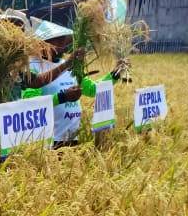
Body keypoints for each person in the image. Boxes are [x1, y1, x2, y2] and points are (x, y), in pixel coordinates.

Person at [0, 11, 83, 162]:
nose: (6, 36)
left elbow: (37, 80)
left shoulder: (13, 65)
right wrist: (10, 50)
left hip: (10, 131)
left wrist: (67, 63)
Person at [23, 19, 128, 147]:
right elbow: (30, 102)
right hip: (48, 141)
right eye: (59, 41)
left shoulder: (68, 64)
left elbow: (92, 89)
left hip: (72, 136)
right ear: (44, 43)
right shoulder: (32, 67)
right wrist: (63, 97)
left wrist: (115, 74)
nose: (64, 45)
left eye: (64, 40)